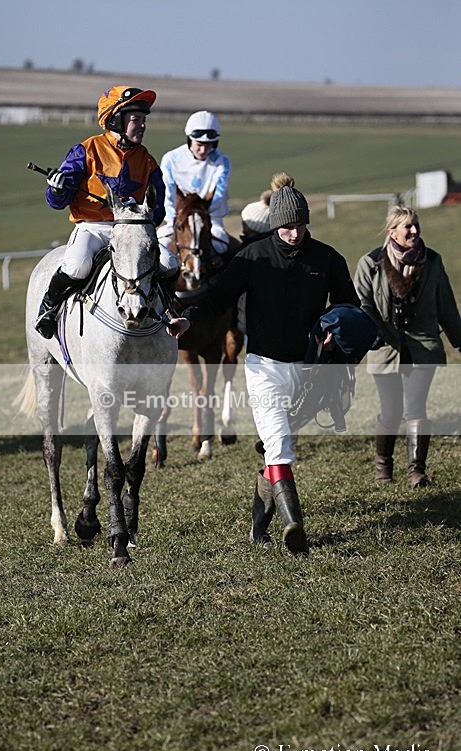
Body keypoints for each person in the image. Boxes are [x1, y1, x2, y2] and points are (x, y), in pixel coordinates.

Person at [166, 179, 361, 554]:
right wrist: (189, 318)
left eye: (300, 225)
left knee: (276, 450)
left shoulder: (328, 259)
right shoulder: (251, 258)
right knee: (280, 445)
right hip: (263, 367)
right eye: (287, 226)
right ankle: (295, 528)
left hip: (308, 371)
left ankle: (258, 529)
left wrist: (337, 331)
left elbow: (348, 305)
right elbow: (218, 297)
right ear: (275, 225)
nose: (294, 233)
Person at [35, 85, 178, 339]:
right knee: (77, 266)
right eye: (136, 119)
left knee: (169, 263)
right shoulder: (86, 151)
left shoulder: (147, 160)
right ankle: (48, 307)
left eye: (144, 120)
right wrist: (56, 190)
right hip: (92, 228)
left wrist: (140, 217)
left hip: (132, 230)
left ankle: (171, 312)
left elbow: (159, 209)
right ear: (115, 119)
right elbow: (56, 202)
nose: (143, 125)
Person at [354, 205, 461, 487]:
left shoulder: (433, 261)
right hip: (385, 347)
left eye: (415, 225)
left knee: (415, 407)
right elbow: (361, 303)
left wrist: (459, 340)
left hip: (423, 345)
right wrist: (375, 332)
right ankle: (383, 468)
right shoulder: (371, 263)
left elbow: (446, 304)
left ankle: (416, 472)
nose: (414, 230)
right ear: (392, 232)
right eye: (407, 226)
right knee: (390, 409)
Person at [158, 110, 234, 264]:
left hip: (210, 220)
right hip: (177, 221)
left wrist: (200, 217)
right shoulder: (171, 159)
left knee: (220, 248)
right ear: (189, 140)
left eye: (208, 145)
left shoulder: (222, 161)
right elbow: (167, 194)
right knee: (161, 249)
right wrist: (177, 220)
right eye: (199, 145)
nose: (203, 150)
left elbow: (218, 196)